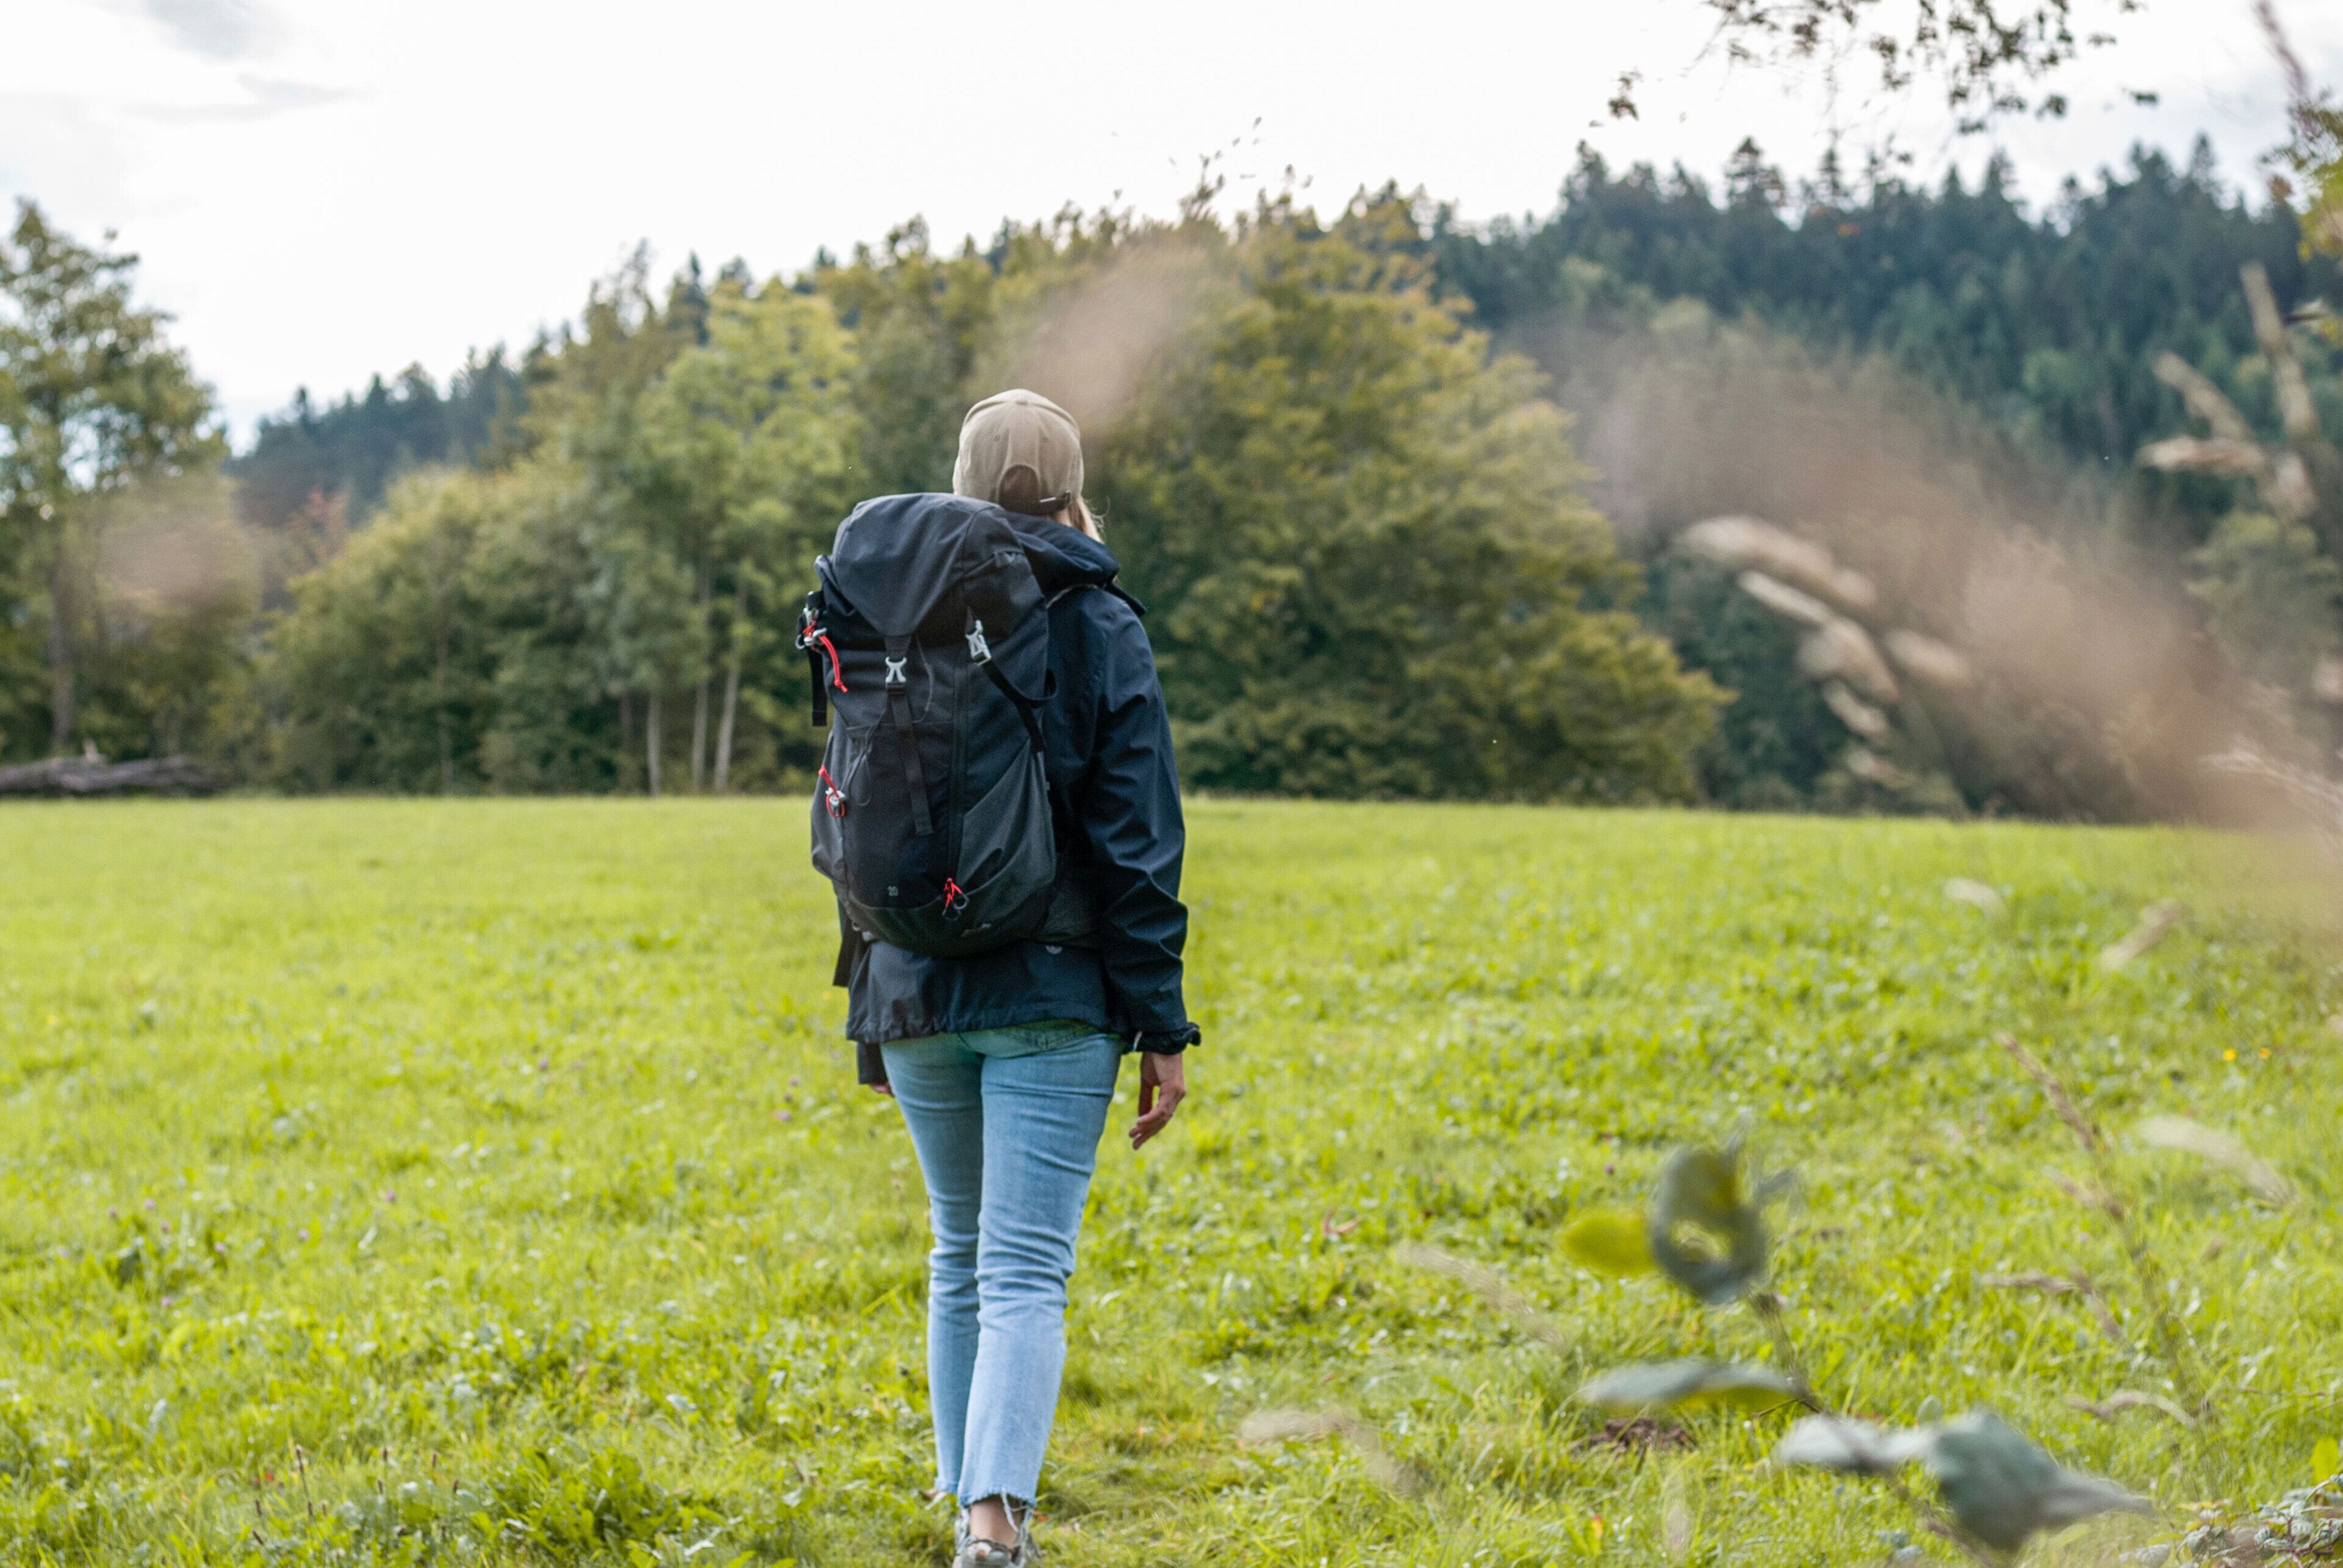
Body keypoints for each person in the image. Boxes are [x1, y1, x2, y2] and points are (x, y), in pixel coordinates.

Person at [830, 389, 1199, 1568]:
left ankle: (966, 1504)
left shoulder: (889, 611)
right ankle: (993, 1525)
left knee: (960, 1250)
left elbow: (858, 816)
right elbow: (1138, 839)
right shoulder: (1098, 618)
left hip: (912, 981)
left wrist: (873, 1012)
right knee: (1025, 1265)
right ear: (1075, 489)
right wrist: (1162, 1025)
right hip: (1053, 987)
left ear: (961, 479)